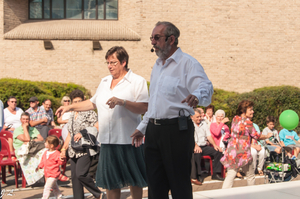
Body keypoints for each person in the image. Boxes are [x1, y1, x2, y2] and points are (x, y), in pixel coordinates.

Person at [131, 21, 213, 199]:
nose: (152, 41)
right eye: (151, 38)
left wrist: (197, 96)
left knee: (179, 184)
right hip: (153, 131)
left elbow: (205, 86)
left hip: (177, 130)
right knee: (154, 184)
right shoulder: (158, 65)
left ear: (171, 39)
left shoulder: (188, 63)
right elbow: (154, 102)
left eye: (156, 37)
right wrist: (143, 127)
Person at [57, 46, 149, 199]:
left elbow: (144, 107)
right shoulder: (104, 81)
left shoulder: (137, 81)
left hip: (129, 140)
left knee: (135, 181)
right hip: (106, 141)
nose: (109, 66)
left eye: (113, 62)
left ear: (123, 62)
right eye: (107, 62)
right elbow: (92, 103)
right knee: (110, 182)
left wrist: (122, 102)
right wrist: (70, 107)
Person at [59, 89, 102, 199]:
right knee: (75, 178)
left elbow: (97, 127)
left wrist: (83, 133)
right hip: (73, 149)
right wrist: (63, 149)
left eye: (79, 101)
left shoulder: (89, 112)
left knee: (81, 174)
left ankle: (99, 194)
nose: (77, 104)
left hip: (85, 148)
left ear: (83, 101)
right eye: (75, 102)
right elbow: (70, 134)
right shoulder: (72, 115)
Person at [221, 100, 272, 189]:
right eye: (250, 110)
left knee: (230, 175)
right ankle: (251, 194)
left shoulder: (235, 118)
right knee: (250, 176)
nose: (253, 111)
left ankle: (223, 195)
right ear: (244, 111)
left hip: (232, 152)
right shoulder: (248, 123)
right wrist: (267, 135)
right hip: (243, 153)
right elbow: (257, 136)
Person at [191, 108, 224, 186]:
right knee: (197, 154)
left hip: (204, 146)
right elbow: (190, 137)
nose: (199, 118)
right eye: (197, 117)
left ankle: (216, 174)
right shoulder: (190, 124)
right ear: (192, 117)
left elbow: (209, 136)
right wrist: (195, 145)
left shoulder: (204, 123)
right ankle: (198, 175)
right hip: (194, 146)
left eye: (200, 116)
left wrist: (215, 145)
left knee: (218, 151)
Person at [13, 112, 46, 185]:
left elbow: (41, 139)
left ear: (29, 120)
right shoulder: (17, 130)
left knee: (46, 151)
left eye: (27, 119)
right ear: (21, 120)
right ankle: (33, 178)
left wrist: (31, 140)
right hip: (22, 151)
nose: (25, 121)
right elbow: (27, 139)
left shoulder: (33, 129)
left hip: (33, 149)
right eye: (23, 119)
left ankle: (48, 175)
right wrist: (25, 128)